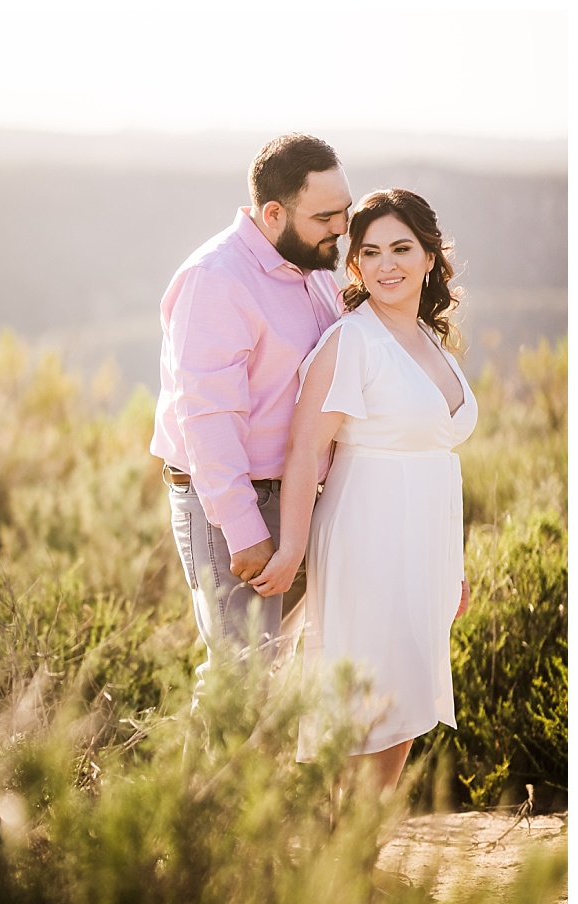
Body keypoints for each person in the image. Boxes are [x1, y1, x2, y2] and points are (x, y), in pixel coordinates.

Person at [257, 191, 479, 797]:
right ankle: (342, 860)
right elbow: (304, 449)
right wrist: (293, 548)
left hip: (425, 536)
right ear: (354, 266)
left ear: (430, 256)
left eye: (402, 249)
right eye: (371, 251)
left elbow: (437, 455)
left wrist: (452, 566)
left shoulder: (430, 339)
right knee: (365, 702)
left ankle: (361, 850)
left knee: (408, 688)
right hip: (368, 532)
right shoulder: (352, 342)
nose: (387, 265)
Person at [151, 135, 351, 686]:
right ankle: (207, 779)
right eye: (326, 216)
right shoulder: (217, 279)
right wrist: (243, 529)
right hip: (235, 505)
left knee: (269, 671)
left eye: (346, 210)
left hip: (297, 500)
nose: (342, 228)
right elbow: (207, 418)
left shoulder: (310, 267)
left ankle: (219, 775)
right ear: (273, 212)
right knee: (241, 679)